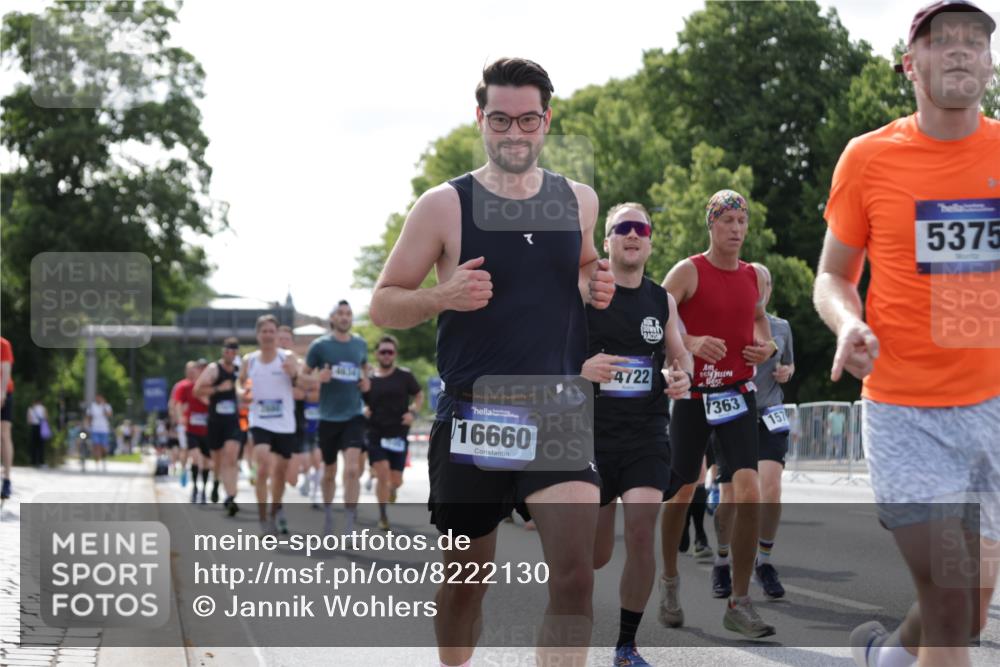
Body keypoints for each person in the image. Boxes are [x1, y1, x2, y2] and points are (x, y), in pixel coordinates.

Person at [368, 57, 615, 667]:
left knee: (576, 577)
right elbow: (383, 303)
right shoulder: (444, 205)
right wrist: (439, 296)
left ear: (546, 121)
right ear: (480, 119)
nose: (514, 133)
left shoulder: (578, 200)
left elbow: (583, 264)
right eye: (500, 119)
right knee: (464, 582)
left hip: (556, 411)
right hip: (476, 416)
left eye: (528, 119)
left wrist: (593, 283)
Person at [814, 3, 999, 666]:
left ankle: (886, 658)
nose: (960, 50)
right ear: (909, 64)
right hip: (907, 412)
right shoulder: (869, 159)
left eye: (974, 40)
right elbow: (832, 276)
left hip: (993, 409)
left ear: (989, 61)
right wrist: (849, 321)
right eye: (941, 40)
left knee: (968, 606)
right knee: (951, 603)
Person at [657, 189, 777, 638]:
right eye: (727, 220)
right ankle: (669, 582)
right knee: (683, 491)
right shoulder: (689, 271)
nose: (736, 229)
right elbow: (654, 320)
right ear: (711, 224)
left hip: (737, 395)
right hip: (691, 396)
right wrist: (688, 343)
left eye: (741, 222)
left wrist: (769, 346)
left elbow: (761, 320)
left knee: (749, 492)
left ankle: (739, 602)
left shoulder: (751, 277)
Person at [584, 202, 692, 666]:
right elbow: (550, 347)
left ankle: (626, 647)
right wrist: (580, 369)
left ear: (650, 240)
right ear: (606, 240)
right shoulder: (587, 292)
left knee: (643, 531)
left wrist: (681, 375)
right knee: (596, 555)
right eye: (622, 228)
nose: (632, 235)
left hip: (646, 433)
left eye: (640, 228)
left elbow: (681, 354)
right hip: (590, 435)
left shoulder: (660, 299)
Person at [709, 263, 795, 601]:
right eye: (753, 283)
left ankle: (764, 561)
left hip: (769, 414)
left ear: (770, 289)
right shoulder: (726, 321)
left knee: (771, 490)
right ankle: (721, 559)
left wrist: (786, 371)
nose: (759, 289)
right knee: (731, 498)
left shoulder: (782, 327)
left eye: (765, 284)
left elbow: (788, 363)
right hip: (732, 411)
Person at [301, 301, 370, 535]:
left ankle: (349, 526)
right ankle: (329, 518)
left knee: (352, 469)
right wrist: (318, 378)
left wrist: (366, 380)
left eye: (348, 313)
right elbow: (302, 377)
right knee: (329, 471)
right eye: (340, 313)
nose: (344, 317)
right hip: (328, 417)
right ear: (332, 318)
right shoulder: (320, 346)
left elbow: (365, 370)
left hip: (354, 415)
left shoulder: (360, 343)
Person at [239, 315, 299, 535]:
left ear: (276, 334)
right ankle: (263, 518)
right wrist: (242, 393)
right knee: (263, 464)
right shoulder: (250, 360)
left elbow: (299, 380)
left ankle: (274, 512)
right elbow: (240, 383)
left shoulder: (288, 356)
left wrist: (292, 372)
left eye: (271, 331)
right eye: (263, 331)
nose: (268, 335)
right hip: (260, 419)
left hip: (284, 423)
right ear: (258, 335)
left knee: (281, 474)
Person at [363, 334, 423, 531]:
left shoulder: (404, 376)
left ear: (395, 354)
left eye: (390, 352)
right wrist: (363, 409)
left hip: (398, 434)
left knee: (395, 479)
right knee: (382, 473)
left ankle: (392, 489)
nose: (386, 355)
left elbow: (419, 395)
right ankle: (383, 516)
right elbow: (359, 399)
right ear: (377, 354)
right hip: (376, 433)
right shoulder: (370, 380)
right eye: (383, 352)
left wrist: (412, 412)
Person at [195, 339, 242, 515]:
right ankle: (215, 482)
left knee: (231, 458)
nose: (230, 354)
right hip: (215, 422)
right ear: (223, 352)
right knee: (217, 460)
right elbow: (197, 390)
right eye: (227, 351)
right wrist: (218, 389)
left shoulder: (240, 370)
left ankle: (230, 497)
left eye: (233, 351)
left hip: (233, 421)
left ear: (236, 353)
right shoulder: (214, 369)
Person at [84, 394, 113, 471]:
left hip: (104, 429)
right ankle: (97, 463)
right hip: (94, 429)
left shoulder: (107, 406)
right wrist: (86, 425)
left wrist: (104, 406)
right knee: (96, 446)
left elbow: (109, 415)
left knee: (103, 447)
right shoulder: (92, 406)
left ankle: (104, 460)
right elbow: (88, 417)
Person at [26, 399, 49, 468]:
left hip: (33, 427)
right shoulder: (43, 408)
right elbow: (46, 417)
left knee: (33, 445)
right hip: (41, 427)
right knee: (41, 446)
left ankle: (33, 462)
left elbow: (29, 420)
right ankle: (41, 462)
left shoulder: (30, 409)